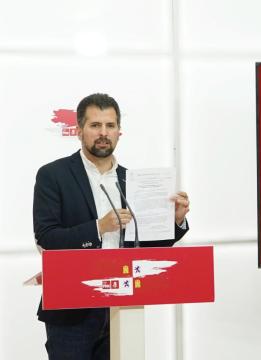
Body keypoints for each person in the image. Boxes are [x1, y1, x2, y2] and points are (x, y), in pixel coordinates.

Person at [33, 93, 190, 359]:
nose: (103, 133)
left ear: (119, 132)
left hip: (122, 306)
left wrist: (175, 220)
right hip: (72, 310)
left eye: (110, 126)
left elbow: (147, 244)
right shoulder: (53, 175)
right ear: (79, 130)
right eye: (95, 125)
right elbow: (47, 238)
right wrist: (98, 227)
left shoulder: (131, 180)